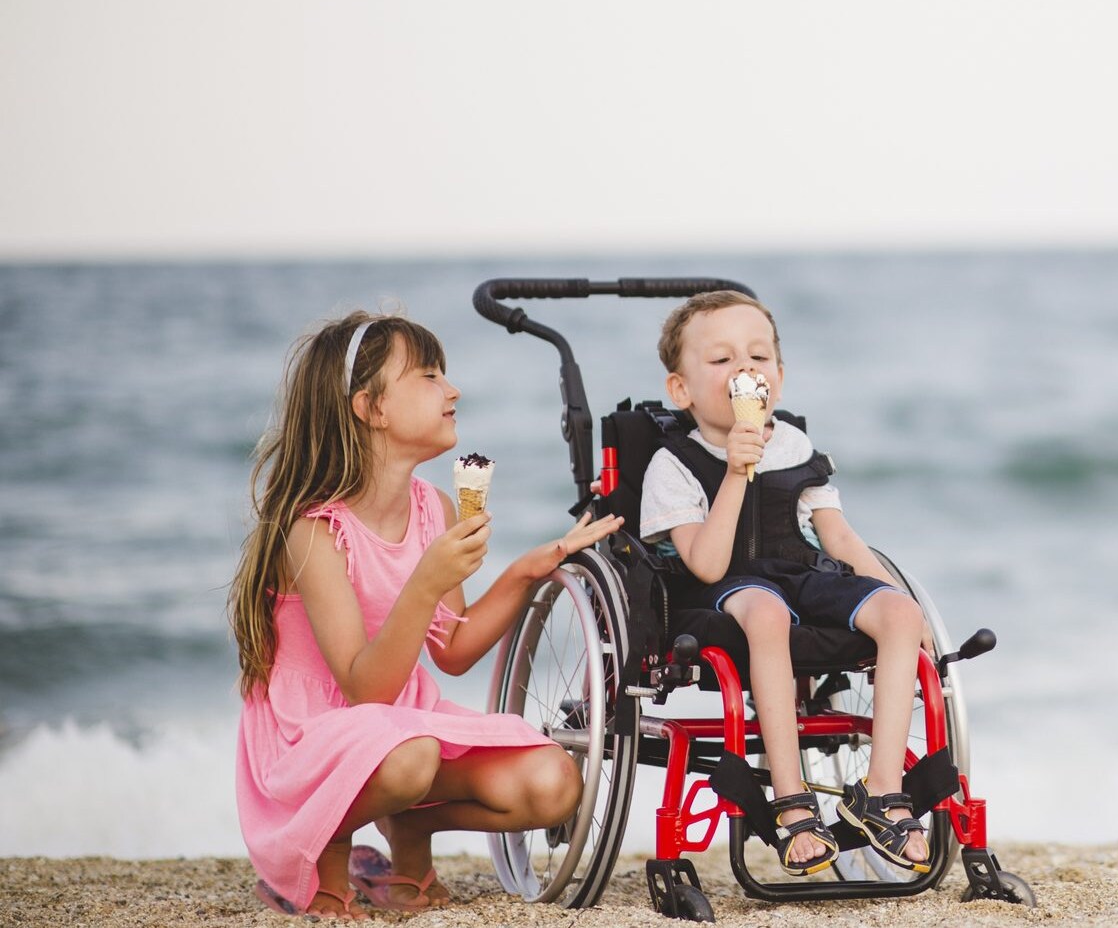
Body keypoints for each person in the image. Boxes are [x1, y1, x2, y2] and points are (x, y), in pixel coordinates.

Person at [230, 312, 624, 918]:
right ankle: (324, 857)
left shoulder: (432, 507)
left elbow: (454, 653)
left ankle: (411, 832)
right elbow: (364, 688)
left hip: (405, 726)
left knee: (554, 784)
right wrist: (425, 583)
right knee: (410, 757)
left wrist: (525, 570)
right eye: (429, 375)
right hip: (310, 733)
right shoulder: (313, 532)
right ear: (370, 408)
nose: (452, 390)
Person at [639, 290, 934, 875]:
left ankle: (881, 792)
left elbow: (841, 541)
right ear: (682, 390)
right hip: (725, 589)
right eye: (722, 361)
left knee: (901, 615)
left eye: (758, 357)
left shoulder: (797, 447)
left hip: (799, 573)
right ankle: (791, 799)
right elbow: (706, 564)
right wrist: (734, 470)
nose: (745, 370)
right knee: (768, 613)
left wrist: (911, 611)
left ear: (779, 375)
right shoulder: (673, 462)